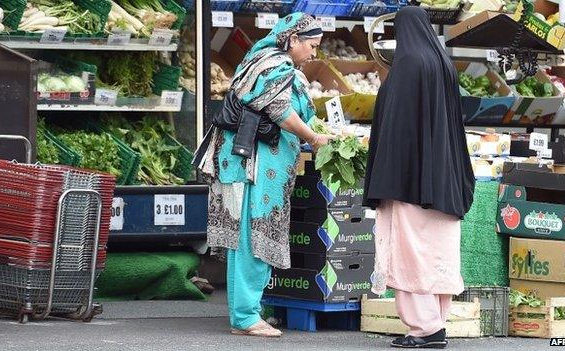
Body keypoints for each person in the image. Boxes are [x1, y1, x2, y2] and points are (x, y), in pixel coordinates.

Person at [198, 13, 333, 337]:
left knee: (247, 236)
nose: (313, 53)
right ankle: (245, 317)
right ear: (293, 40)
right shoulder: (273, 64)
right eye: (311, 46)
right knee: (249, 236)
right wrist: (314, 138)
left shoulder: (268, 60)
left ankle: (247, 312)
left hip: (253, 165)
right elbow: (282, 113)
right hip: (251, 167)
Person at [363, 6, 475, 349]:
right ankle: (435, 323)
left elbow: (395, 128)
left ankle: (423, 329)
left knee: (411, 250)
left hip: (410, 180)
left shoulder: (408, 66)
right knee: (437, 251)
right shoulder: (442, 64)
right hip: (443, 178)